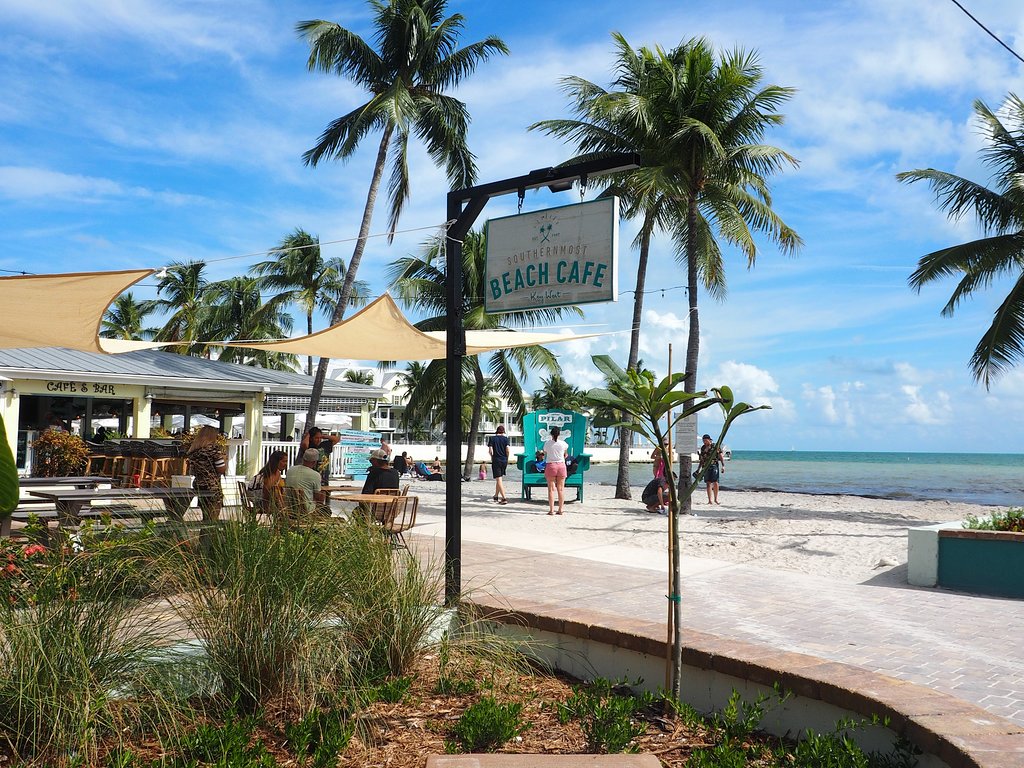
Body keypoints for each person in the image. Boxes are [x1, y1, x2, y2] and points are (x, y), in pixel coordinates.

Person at [187, 425, 227, 521]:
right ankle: (209, 535)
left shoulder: (193, 452)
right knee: (212, 518)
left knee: (206, 516)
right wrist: (224, 460)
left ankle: (204, 535)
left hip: (199, 485)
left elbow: (191, 471)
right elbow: (221, 469)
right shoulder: (214, 450)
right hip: (212, 486)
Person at [284, 447, 327, 515]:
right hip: (306, 510)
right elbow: (318, 497)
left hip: (289, 508)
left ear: (303, 459)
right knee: (326, 509)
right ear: (315, 462)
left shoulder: (290, 470)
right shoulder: (315, 475)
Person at [542, 425, 568, 516]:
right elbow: (565, 454)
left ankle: (551, 510)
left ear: (551, 434)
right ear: (559, 434)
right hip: (561, 465)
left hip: (551, 465)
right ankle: (560, 509)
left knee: (551, 490)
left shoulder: (547, 443)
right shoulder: (563, 443)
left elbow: (545, 452)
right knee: (561, 489)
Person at [698, 433, 725, 504]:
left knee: (715, 482)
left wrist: (723, 465)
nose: (704, 442)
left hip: (714, 465)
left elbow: (720, 456)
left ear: (709, 440)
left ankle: (716, 499)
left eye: (705, 440)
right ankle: (710, 500)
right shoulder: (703, 448)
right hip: (705, 467)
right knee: (708, 483)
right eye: (703, 441)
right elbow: (701, 459)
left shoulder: (715, 446)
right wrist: (698, 469)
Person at [486, 424, 510, 505]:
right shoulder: (506, 439)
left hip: (496, 459)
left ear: (497, 431)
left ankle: (504, 498)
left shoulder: (492, 439)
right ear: (503, 432)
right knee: (499, 478)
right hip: (504, 460)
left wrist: (492, 457)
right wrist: (507, 458)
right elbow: (508, 450)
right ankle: (496, 496)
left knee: (498, 479)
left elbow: (490, 451)